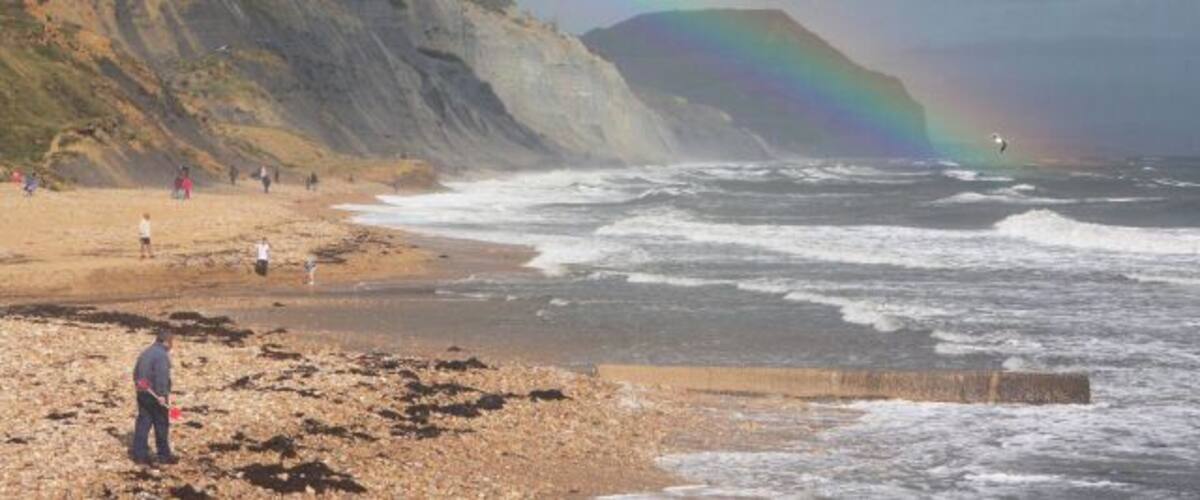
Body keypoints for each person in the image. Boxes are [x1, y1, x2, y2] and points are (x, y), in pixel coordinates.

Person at [131, 331, 177, 465]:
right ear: (166, 342)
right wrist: (162, 395)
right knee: (161, 424)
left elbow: (135, 374)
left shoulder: (145, 352)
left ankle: (139, 455)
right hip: (156, 396)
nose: (172, 346)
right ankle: (164, 455)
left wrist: (140, 387)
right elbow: (161, 377)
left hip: (142, 393)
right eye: (172, 342)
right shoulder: (161, 356)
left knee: (143, 423)